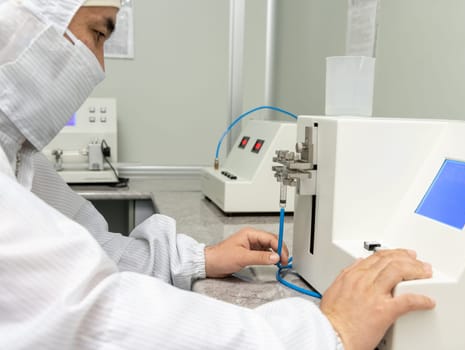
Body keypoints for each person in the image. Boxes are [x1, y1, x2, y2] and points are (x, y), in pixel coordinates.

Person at [0, 1, 435, 349]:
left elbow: (91, 247)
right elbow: (93, 318)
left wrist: (197, 259)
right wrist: (325, 331)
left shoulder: (16, 158)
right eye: (98, 32)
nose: (99, 65)